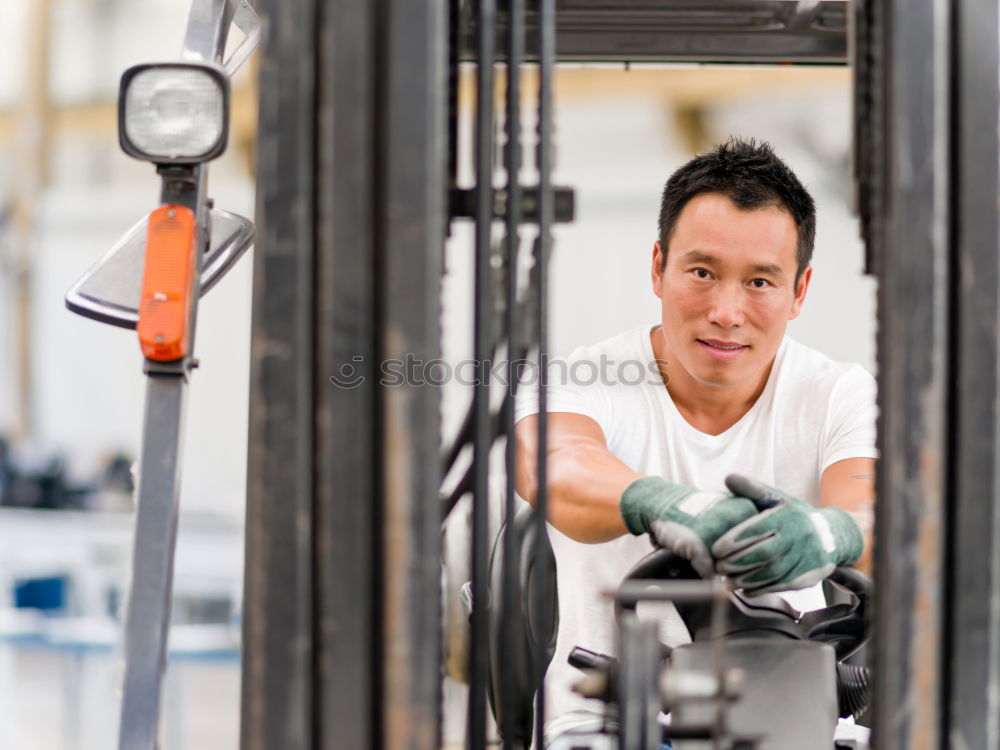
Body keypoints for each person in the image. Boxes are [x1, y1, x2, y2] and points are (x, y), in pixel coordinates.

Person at [513, 137, 877, 743]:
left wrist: (831, 532)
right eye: (702, 272)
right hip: (605, 723)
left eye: (761, 282)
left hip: (795, 717)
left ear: (800, 290)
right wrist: (666, 505)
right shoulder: (581, 380)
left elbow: (881, 510)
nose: (726, 311)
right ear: (659, 267)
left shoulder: (837, 394)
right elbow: (558, 467)